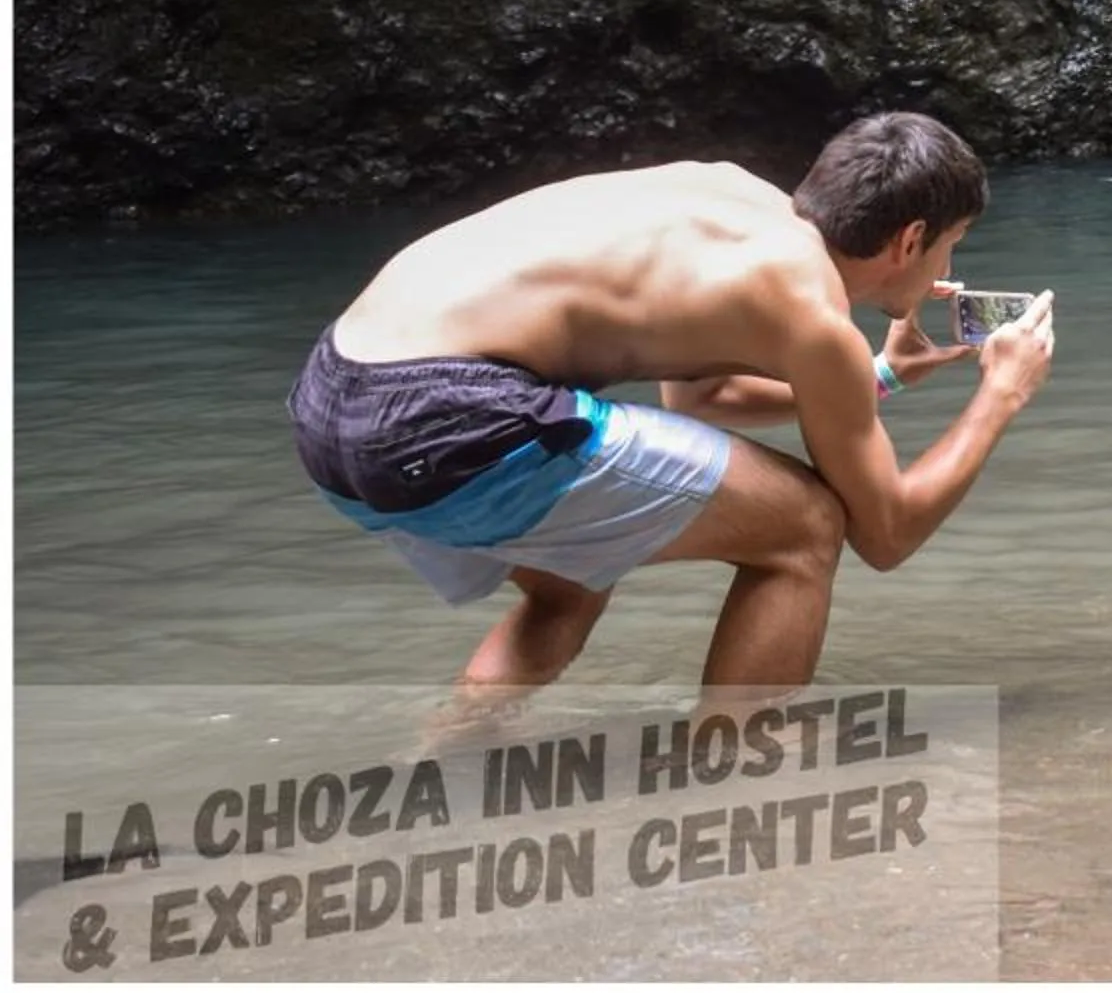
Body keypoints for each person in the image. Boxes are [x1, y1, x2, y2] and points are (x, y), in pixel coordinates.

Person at [285, 111, 1055, 701]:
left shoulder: (729, 195)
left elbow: (702, 395)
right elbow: (886, 534)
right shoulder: (814, 317)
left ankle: (449, 760)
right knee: (807, 525)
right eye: (951, 242)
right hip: (449, 417)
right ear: (910, 237)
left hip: (329, 407)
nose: (949, 265)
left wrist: (881, 375)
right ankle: (737, 784)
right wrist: (1000, 393)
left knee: (571, 584)